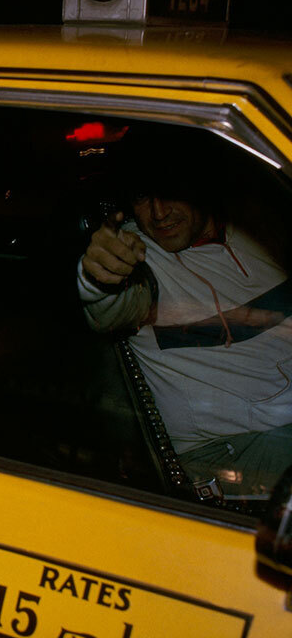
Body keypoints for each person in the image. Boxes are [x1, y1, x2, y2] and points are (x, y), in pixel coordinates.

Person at [77, 162, 292, 501]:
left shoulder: (259, 227)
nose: (159, 213)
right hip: (227, 454)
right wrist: (98, 277)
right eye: (143, 197)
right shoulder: (142, 256)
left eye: (170, 190)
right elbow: (111, 307)